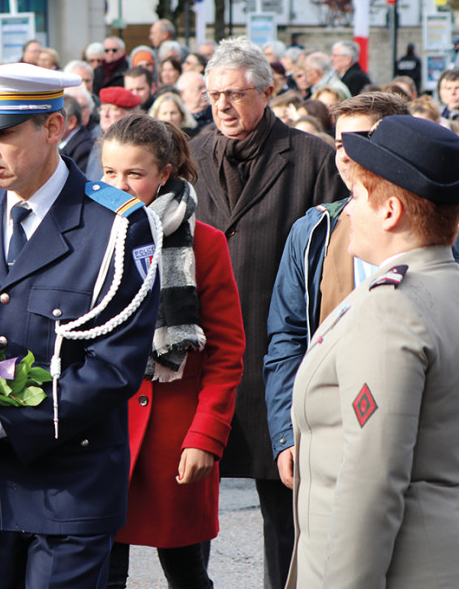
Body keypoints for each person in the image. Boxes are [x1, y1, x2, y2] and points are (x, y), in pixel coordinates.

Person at [0, 62, 161, 588]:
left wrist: (9, 422)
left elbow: (115, 367)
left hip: (69, 486)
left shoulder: (116, 225)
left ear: (52, 128)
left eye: (2, 134)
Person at [188, 36, 347, 589]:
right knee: (189, 509)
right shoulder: (194, 154)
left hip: (277, 358)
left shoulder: (313, 157)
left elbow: (333, 258)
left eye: (236, 93)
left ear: (269, 90)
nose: (224, 106)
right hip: (203, 357)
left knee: (285, 510)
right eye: (213, 96)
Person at [286, 115, 459, 588]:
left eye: (357, 196)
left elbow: (371, 481)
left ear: (390, 212)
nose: (347, 211)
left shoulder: (391, 309)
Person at [99, 114, 244, 589]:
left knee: (187, 576)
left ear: (164, 174)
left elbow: (226, 352)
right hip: (102, 433)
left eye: (134, 174)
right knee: (99, 573)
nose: (120, 186)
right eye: (109, 173)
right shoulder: (89, 234)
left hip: (175, 439)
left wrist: (207, 436)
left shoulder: (205, 243)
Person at [263, 92, 411, 492]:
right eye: (340, 143)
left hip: (416, 431)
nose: (346, 155)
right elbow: (287, 339)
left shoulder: (440, 233)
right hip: (329, 431)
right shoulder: (312, 232)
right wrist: (285, 433)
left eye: (361, 141)